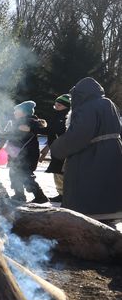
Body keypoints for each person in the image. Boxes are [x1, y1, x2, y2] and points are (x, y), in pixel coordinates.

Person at [49, 78, 122, 221]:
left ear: (80, 94)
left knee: (90, 191)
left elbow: (79, 134)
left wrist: (57, 148)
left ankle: (90, 226)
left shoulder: (87, 107)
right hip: (113, 152)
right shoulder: (108, 103)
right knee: (108, 190)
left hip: (93, 156)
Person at [0, 101, 48, 203]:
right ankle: (19, 195)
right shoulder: (17, 122)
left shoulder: (30, 121)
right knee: (14, 174)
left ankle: (40, 196)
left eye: (17, 110)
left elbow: (41, 127)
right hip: (16, 154)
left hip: (27, 154)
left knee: (25, 175)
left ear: (24, 112)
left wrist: (30, 128)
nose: (14, 112)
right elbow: (8, 135)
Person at [38, 94, 71, 202]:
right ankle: (61, 193)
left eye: (59, 105)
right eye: (55, 104)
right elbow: (51, 132)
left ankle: (66, 194)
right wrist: (47, 146)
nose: (56, 107)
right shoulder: (56, 116)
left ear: (66, 106)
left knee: (61, 172)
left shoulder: (68, 117)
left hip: (64, 148)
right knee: (56, 171)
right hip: (56, 148)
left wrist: (33, 128)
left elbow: (53, 130)